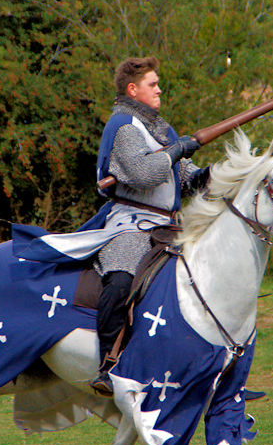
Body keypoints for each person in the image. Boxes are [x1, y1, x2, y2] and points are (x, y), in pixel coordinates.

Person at [90, 56, 210, 396]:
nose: (159, 89)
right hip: (130, 223)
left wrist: (207, 175)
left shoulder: (161, 129)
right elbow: (144, 174)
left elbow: (183, 181)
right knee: (121, 277)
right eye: (152, 84)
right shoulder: (124, 124)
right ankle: (108, 363)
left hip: (166, 224)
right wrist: (177, 151)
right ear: (133, 89)